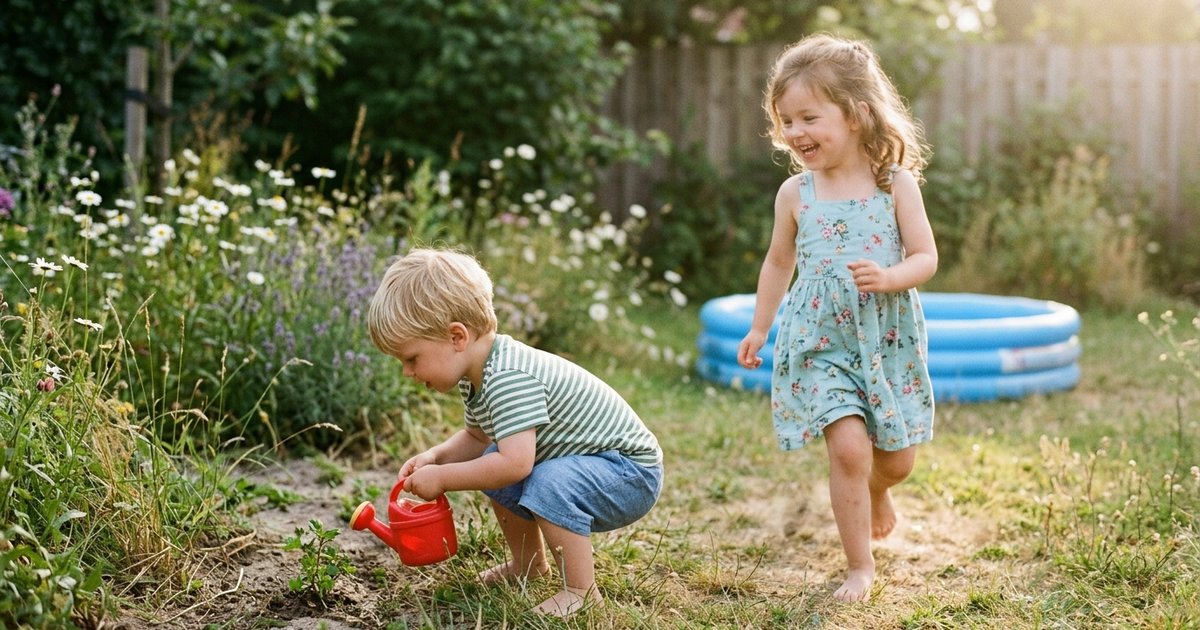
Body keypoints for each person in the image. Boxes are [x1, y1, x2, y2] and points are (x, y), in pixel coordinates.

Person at [736, 33, 938, 603]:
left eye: (809, 118)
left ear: (856, 114)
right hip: (820, 338)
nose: (796, 133)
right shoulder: (796, 194)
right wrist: (759, 325)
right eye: (786, 121)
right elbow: (779, 262)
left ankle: (879, 492)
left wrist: (891, 276)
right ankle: (859, 565)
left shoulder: (892, 183)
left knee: (895, 462)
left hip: (885, 335)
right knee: (848, 448)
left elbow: (926, 256)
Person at [366, 247, 664, 617]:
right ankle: (528, 564)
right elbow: (478, 439)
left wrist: (442, 478)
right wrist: (436, 457)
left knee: (545, 479)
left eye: (412, 359)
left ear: (457, 337)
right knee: (492, 463)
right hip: (601, 467)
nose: (408, 372)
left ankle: (580, 591)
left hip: (629, 473)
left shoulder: (508, 378)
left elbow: (517, 464)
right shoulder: (476, 374)